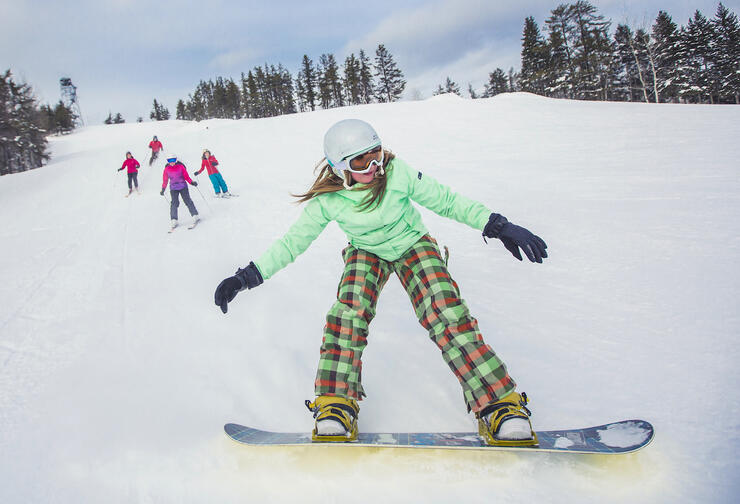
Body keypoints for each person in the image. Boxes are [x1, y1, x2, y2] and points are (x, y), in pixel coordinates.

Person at [213, 119, 548, 446]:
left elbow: (446, 200)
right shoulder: (328, 200)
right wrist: (246, 277)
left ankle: (498, 402)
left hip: (413, 243)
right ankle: (336, 403)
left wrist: (497, 225)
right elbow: (291, 243)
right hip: (366, 252)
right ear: (340, 166)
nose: (375, 164)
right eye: (362, 159)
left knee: (445, 312)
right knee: (348, 314)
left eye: (377, 153)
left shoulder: (397, 173)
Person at [160, 154, 199, 229]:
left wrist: (191, 182)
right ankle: (174, 219)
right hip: (173, 188)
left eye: (173, 160)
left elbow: (186, 176)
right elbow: (165, 180)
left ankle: (195, 215)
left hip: (183, 186)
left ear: (176, 160)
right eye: (169, 161)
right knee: (174, 203)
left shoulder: (180, 167)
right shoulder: (166, 169)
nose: (171, 162)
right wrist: (163, 189)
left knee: (187, 201)